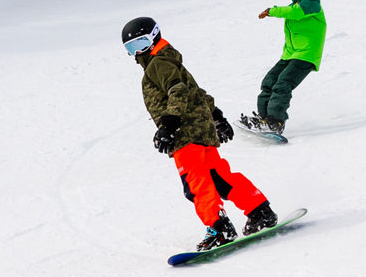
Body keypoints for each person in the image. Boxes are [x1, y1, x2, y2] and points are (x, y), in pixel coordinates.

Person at [121, 17, 282, 250]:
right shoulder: (170, 60)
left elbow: (178, 91)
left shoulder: (158, 65)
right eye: (132, 48)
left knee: (196, 184)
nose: (138, 53)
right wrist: (216, 116)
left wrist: (168, 123)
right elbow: (195, 91)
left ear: (154, 37)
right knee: (219, 178)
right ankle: (260, 210)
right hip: (201, 131)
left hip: (184, 134)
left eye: (142, 44)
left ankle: (219, 228)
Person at [245, 0, 326, 135]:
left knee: (283, 84)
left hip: (306, 54)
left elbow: (295, 13)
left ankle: (276, 121)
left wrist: (271, 11)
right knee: (270, 81)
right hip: (291, 53)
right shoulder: (299, 0)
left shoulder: (312, 0)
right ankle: (264, 118)